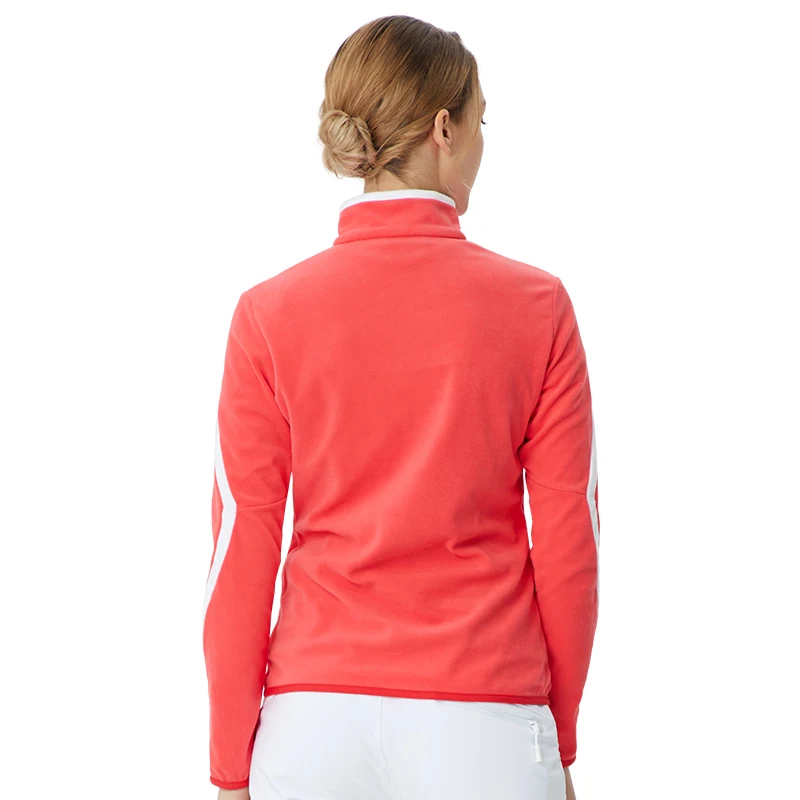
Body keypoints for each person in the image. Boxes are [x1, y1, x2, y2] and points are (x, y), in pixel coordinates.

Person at [202, 14, 599, 800]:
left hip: (312, 722)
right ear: (445, 129)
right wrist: (556, 736)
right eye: (481, 122)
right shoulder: (538, 306)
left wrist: (230, 765)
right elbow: (568, 541)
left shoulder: (267, 313)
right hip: (486, 712)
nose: (482, 145)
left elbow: (241, 546)